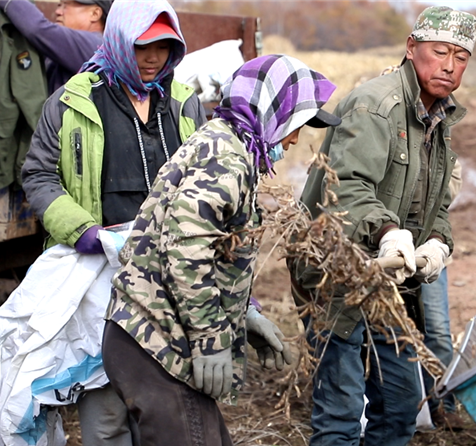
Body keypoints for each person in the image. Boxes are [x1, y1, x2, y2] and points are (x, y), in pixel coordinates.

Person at [102, 54, 340, 444]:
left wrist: (245, 314)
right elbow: (186, 249)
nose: (295, 139)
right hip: (156, 342)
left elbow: (211, 248)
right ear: (269, 111)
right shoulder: (225, 160)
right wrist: (212, 340)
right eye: (294, 126)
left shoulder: (228, 149)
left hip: (154, 337)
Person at [290, 6, 476, 446]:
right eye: (439, 52)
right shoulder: (377, 104)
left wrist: (437, 243)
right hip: (335, 272)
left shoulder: (438, 117)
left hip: (388, 282)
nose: (449, 65)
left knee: (399, 406)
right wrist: (389, 233)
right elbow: (348, 188)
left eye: (461, 57)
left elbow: (437, 204)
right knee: (340, 412)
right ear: (412, 49)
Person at [21, 0, 205, 444]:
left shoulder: (183, 105)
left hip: (165, 281)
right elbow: (39, 174)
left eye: (164, 46)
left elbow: (205, 183)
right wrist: (82, 230)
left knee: (162, 411)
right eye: (142, 45)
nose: (153, 57)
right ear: (120, 39)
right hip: (98, 280)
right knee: (106, 418)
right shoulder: (74, 101)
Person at [419, 159, 468, 432]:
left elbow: (449, 185)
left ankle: (441, 404)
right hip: (382, 246)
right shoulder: (381, 124)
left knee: (436, 331)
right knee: (383, 331)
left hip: (429, 250)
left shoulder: (438, 129)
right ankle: (396, 407)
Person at [0, 0, 112, 94]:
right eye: (59, 5)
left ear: (95, 14)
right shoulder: (64, 49)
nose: (58, 12)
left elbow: (38, 29)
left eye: (66, 5)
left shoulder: (95, 45)